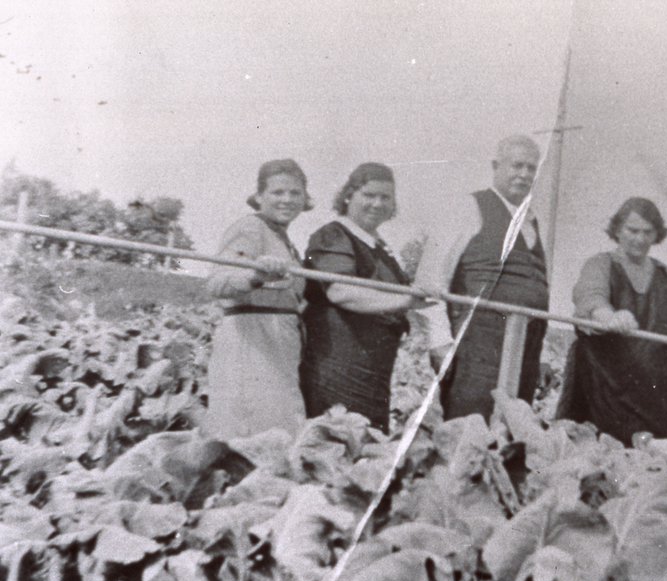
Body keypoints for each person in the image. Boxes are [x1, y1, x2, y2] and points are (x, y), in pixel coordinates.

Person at [556, 196, 667, 445]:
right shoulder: (599, 265)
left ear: (656, 235)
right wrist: (610, 317)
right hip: (602, 388)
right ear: (618, 230)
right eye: (632, 230)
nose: (640, 239)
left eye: (648, 232)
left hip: (653, 395)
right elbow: (590, 298)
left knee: (655, 468)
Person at [415, 135, 549, 420]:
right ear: (495, 166)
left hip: (523, 349)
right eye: (516, 166)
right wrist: (439, 341)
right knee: (469, 428)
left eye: (531, 168)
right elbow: (431, 278)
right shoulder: (468, 207)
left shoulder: (531, 221)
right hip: (475, 348)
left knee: (513, 434)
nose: (524, 174)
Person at [299, 162, 425, 432]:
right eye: (369, 195)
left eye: (385, 197)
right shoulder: (332, 236)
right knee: (338, 441)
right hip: (338, 365)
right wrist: (405, 301)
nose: (377, 204)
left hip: (374, 370)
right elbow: (341, 292)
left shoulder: (379, 246)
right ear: (348, 196)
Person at [205, 159, 311, 439]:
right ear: (260, 196)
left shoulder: (282, 237)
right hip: (252, 343)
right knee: (252, 434)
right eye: (277, 192)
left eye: (295, 193)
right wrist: (256, 276)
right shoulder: (250, 228)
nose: (287, 199)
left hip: (277, 346)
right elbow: (217, 282)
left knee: (279, 431)